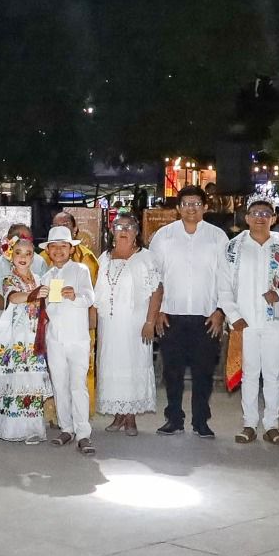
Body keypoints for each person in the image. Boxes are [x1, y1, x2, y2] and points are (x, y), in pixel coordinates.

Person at [219, 197, 279, 446]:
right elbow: (222, 286)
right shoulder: (233, 247)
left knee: (273, 374)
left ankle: (272, 425)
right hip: (244, 321)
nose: (260, 217)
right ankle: (249, 424)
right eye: (255, 213)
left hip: (274, 320)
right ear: (246, 218)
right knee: (249, 374)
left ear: (274, 218)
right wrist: (233, 316)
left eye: (265, 213)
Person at [147, 186, 229, 439]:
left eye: (196, 203)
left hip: (207, 317)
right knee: (172, 372)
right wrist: (157, 310)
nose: (191, 208)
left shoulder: (218, 237)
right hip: (171, 315)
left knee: (203, 373)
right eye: (186, 203)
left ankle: (201, 421)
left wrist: (220, 312)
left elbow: (226, 279)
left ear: (205, 207)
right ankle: (173, 418)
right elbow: (154, 277)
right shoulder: (163, 236)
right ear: (178, 208)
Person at [94, 215, 159, 437]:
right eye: (118, 226)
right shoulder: (104, 257)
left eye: (129, 227)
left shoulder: (145, 257)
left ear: (136, 231)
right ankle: (118, 414)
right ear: (112, 230)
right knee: (112, 365)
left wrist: (150, 321)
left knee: (134, 365)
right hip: (109, 325)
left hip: (136, 324)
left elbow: (156, 290)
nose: (123, 230)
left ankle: (131, 417)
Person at [0, 238, 52, 445]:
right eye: (18, 253)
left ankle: (32, 428)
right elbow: (13, 298)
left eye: (28, 253)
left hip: (35, 336)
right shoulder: (8, 279)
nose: (23, 257)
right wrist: (34, 294)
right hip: (16, 339)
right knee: (15, 379)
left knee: (32, 380)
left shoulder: (40, 278)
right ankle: (9, 427)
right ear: (11, 256)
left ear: (34, 257)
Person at [42, 226, 97, 455]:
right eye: (53, 247)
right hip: (54, 339)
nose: (58, 251)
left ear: (71, 248)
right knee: (59, 386)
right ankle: (66, 428)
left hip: (77, 338)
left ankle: (83, 433)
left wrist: (74, 296)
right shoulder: (45, 277)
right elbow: (43, 310)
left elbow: (89, 297)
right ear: (48, 250)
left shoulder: (81, 270)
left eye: (63, 246)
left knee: (78, 385)